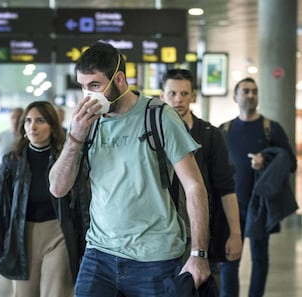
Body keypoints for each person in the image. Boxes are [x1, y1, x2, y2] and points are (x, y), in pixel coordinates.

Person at [48, 41, 210, 296]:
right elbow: (58, 188)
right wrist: (75, 137)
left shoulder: (159, 116)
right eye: (82, 87)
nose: (87, 96)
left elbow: (194, 186)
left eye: (95, 86)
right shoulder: (87, 125)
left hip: (155, 259)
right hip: (99, 254)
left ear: (119, 79)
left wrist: (198, 254)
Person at [0, 101, 82, 297]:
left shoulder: (66, 158)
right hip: (22, 236)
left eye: (40, 121)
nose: (32, 126)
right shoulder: (12, 161)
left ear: (52, 126)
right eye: (28, 121)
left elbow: (82, 205)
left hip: (58, 234)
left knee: (57, 292)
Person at [161, 68, 242, 287]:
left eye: (184, 93)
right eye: (173, 93)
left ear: (193, 96)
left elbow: (225, 187)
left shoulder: (210, 135)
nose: (178, 99)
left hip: (202, 233)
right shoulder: (154, 136)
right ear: (162, 96)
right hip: (162, 235)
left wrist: (235, 233)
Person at [219, 77, 297, 297]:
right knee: (229, 259)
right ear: (235, 97)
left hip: (260, 206)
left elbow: (290, 163)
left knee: (260, 258)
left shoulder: (271, 128)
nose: (251, 95)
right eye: (245, 91)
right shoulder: (225, 130)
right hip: (231, 206)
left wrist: (266, 160)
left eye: (254, 91)